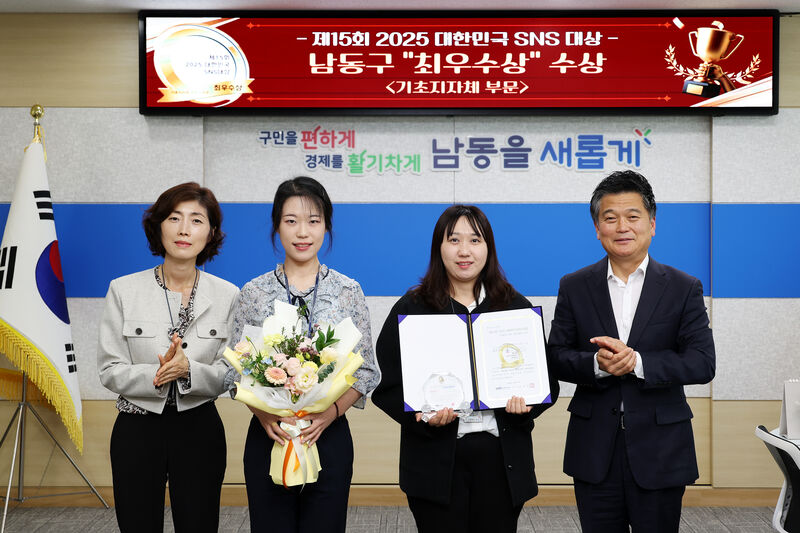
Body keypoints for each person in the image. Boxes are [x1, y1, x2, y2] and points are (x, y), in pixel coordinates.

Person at [372, 204, 559, 533]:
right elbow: (387, 388)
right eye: (454, 240)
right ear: (439, 248)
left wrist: (526, 407)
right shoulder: (412, 308)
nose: (464, 251)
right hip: (435, 459)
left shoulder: (514, 307)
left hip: (500, 459)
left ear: (488, 248)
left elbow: (546, 382)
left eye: (475, 240)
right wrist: (420, 415)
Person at [548, 170, 716, 532]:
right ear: (597, 228)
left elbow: (702, 363)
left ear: (652, 224)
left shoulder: (683, 287)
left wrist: (637, 362)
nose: (622, 227)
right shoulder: (574, 286)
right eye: (610, 218)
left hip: (661, 448)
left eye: (633, 216)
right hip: (594, 448)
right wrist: (596, 364)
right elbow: (555, 356)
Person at [229, 176, 379, 533]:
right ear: (276, 226)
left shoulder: (347, 290)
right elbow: (235, 371)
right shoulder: (253, 292)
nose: (302, 232)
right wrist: (263, 413)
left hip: (328, 435)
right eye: (291, 220)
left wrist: (330, 413)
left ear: (326, 226)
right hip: (270, 435)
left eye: (313, 221)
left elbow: (367, 371)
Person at [97, 182, 238, 533]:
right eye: (174, 218)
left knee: (199, 523)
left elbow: (231, 372)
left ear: (211, 233)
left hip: (199, 427)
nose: (184, 229)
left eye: (196, 220)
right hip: (137, 427)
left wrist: (189, 370)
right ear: (158, 226)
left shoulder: (228, 295)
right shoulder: (123, 289)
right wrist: (158, 375)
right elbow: (110, 369)